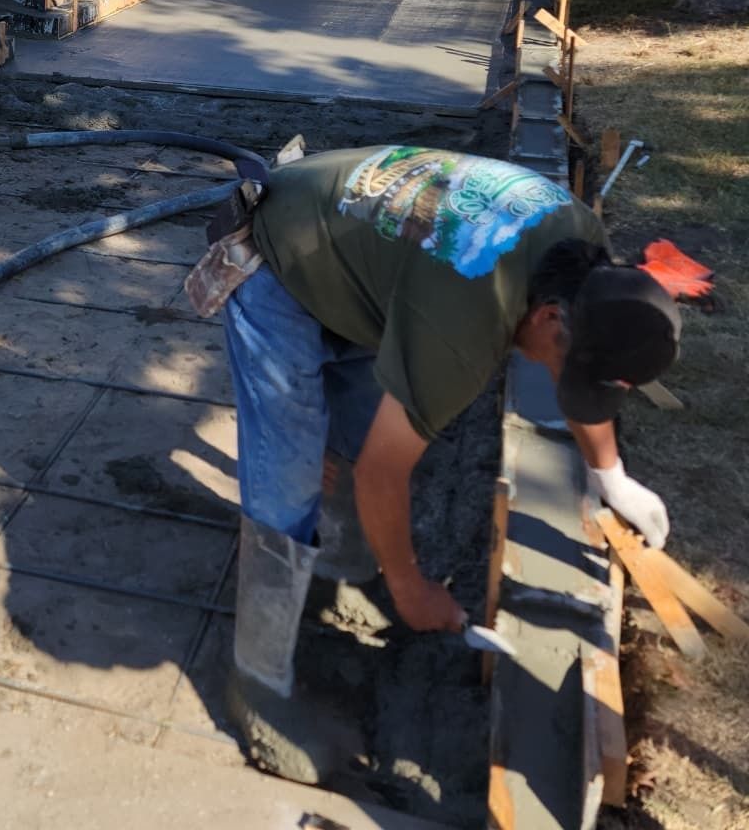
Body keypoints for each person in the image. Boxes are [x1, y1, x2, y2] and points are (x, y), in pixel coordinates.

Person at [204, 145, 679, 783]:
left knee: (352, 429)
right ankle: (258, 686)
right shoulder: (466, 322)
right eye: (566, 369)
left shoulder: (582, 251)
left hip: (366, 262)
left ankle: (335, 566)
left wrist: (609, 476)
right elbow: (382, 473)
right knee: (290, 476)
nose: (560, 381)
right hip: (281, 257)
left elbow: (581, 364)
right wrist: (411, 589)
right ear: (548, 317)